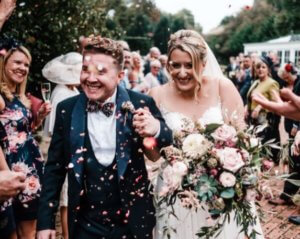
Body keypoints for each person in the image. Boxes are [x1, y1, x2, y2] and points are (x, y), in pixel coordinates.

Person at [36, 35, 173, 239]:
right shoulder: (66, 109)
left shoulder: (141, 103)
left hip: (133, 223)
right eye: (85, 70)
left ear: (120, 76)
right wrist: (45, 221)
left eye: (101, 72)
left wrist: (156, 128)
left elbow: (167, 143)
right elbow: (54, 168)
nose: (90, 79)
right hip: (84, 223)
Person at [148, 29, 263, 238]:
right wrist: (148, 136)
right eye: (176, 65)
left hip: (219, 194)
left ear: (203, 64)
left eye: (189, 65)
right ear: (168, 64)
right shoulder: (156, 94)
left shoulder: (222, 87)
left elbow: (243, 142)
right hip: (175, 195)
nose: (182, 73)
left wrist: (230, 173)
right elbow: (153, 155)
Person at [0, 45, 51, 239]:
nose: (23, 67)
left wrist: (38, 119)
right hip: (10, 168)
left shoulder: (21, 97)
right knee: (10, 231)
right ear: (3, 64)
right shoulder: (1, 97)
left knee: (29, 229)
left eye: (26, 64)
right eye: (17, 62)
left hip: (31, 168)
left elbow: (20, 132)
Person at [41, 52, 82, 239]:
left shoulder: (74, 90)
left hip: (77, 149)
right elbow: (54, 129)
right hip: (65, 149)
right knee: (65, 199)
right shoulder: (61, 93)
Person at [246, 56, 281, 164]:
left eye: (263, 67)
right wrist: (247, 108)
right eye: (258, 67)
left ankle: (270, 167)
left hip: (265, 119)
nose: (260, 69)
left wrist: (260, 106)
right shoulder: (256, 82)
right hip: (254, 119)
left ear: (268, 69)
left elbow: (276, 102)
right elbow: (250, 97)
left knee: (265, 146)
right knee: (255, 144)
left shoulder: (272, 83)